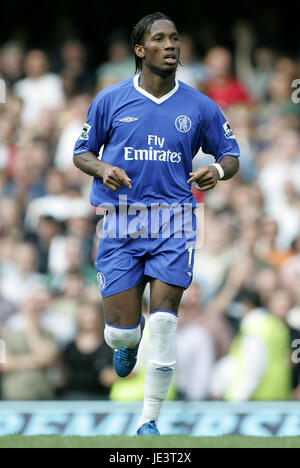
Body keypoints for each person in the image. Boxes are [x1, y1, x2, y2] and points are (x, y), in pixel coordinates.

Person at [73, 12, 240, 435]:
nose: (171, 45)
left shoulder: (199, 105)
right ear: (140, 49)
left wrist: (216, 172)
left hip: (176, 221)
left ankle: (149, 421)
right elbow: (81, 152)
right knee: (121, 337)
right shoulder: (111, 99)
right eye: (160, 39)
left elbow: (231, 155)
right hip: (120, 222)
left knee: (166, 320)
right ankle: (128, 337)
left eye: (175, 38)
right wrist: (101, 169)